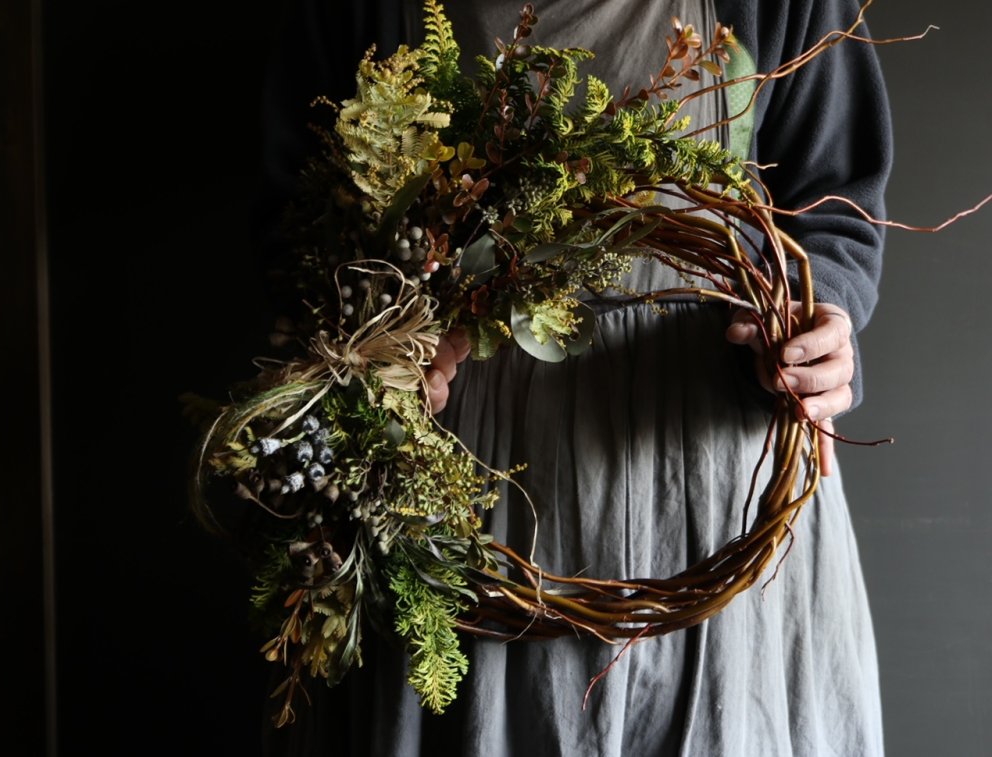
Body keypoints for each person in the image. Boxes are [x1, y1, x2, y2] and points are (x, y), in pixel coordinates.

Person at [256, 1, 891, 754]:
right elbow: (298, 216)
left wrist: (819, 319)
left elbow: (836, 203)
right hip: (463, 492)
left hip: (718, 484)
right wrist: (375, 346)